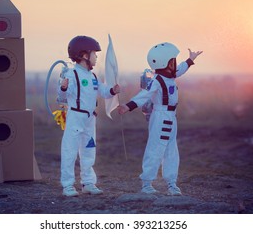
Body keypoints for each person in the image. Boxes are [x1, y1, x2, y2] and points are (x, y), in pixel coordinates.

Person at [118, 43, 202, 195]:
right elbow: (144, 95)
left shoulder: (170, 75)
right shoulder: (157, 80)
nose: (175, 63)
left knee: (171, 149)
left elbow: (181, 69)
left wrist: (190, 60)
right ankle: (146, 183)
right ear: (165, 62)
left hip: (171, 116)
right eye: (173, 60)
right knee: (155, 149)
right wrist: (128, 106)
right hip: (160, 116)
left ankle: (171, 183)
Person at [59, 35, 120, 197]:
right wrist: (63, 88)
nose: (96, 57)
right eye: (94, 53)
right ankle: (68, 185)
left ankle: (88, 182)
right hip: (75, 117)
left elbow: (103, 91)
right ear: (84, 55)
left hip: (90, 119)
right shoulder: (72, 75)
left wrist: (112, 90)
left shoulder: (93, 77)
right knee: (70, 150)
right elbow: (63, 97)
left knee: (88, 150)